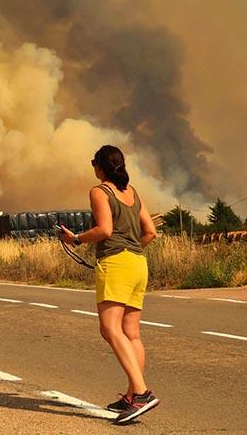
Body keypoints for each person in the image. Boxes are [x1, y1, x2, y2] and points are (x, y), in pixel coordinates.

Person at [59, 145, 160, 425]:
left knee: (110, 329)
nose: (93, 168)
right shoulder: (132, 193)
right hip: (138, 263)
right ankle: (131, 396)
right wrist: (130, 250)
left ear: (100, 167)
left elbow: (104, 230)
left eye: (94, 163)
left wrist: (75, 239)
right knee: (132, 333)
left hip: (116, 264)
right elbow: (150, 231)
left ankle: (141, 393)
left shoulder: (100, 191)